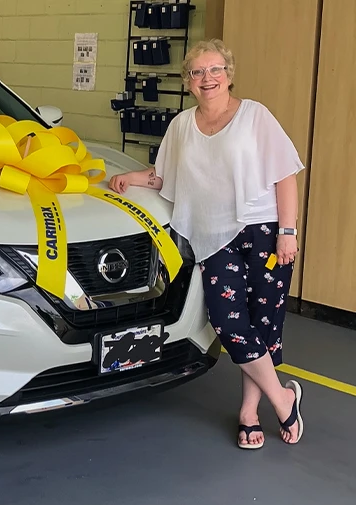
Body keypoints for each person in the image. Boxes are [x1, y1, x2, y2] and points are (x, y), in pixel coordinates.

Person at [108, 39, 305, 451]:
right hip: (214, 236)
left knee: (261, 324)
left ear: (229, 75)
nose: (207, 78)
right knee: (228, 323)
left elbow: (285, 173)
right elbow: (167, 176)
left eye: (215, 70)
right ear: (188, 81)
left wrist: (289, 231)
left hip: (263, 231)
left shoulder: (254, 116)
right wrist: (132, 180)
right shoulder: (181, 125)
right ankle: (283, 398)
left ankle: (249, 413)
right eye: (198, 72)